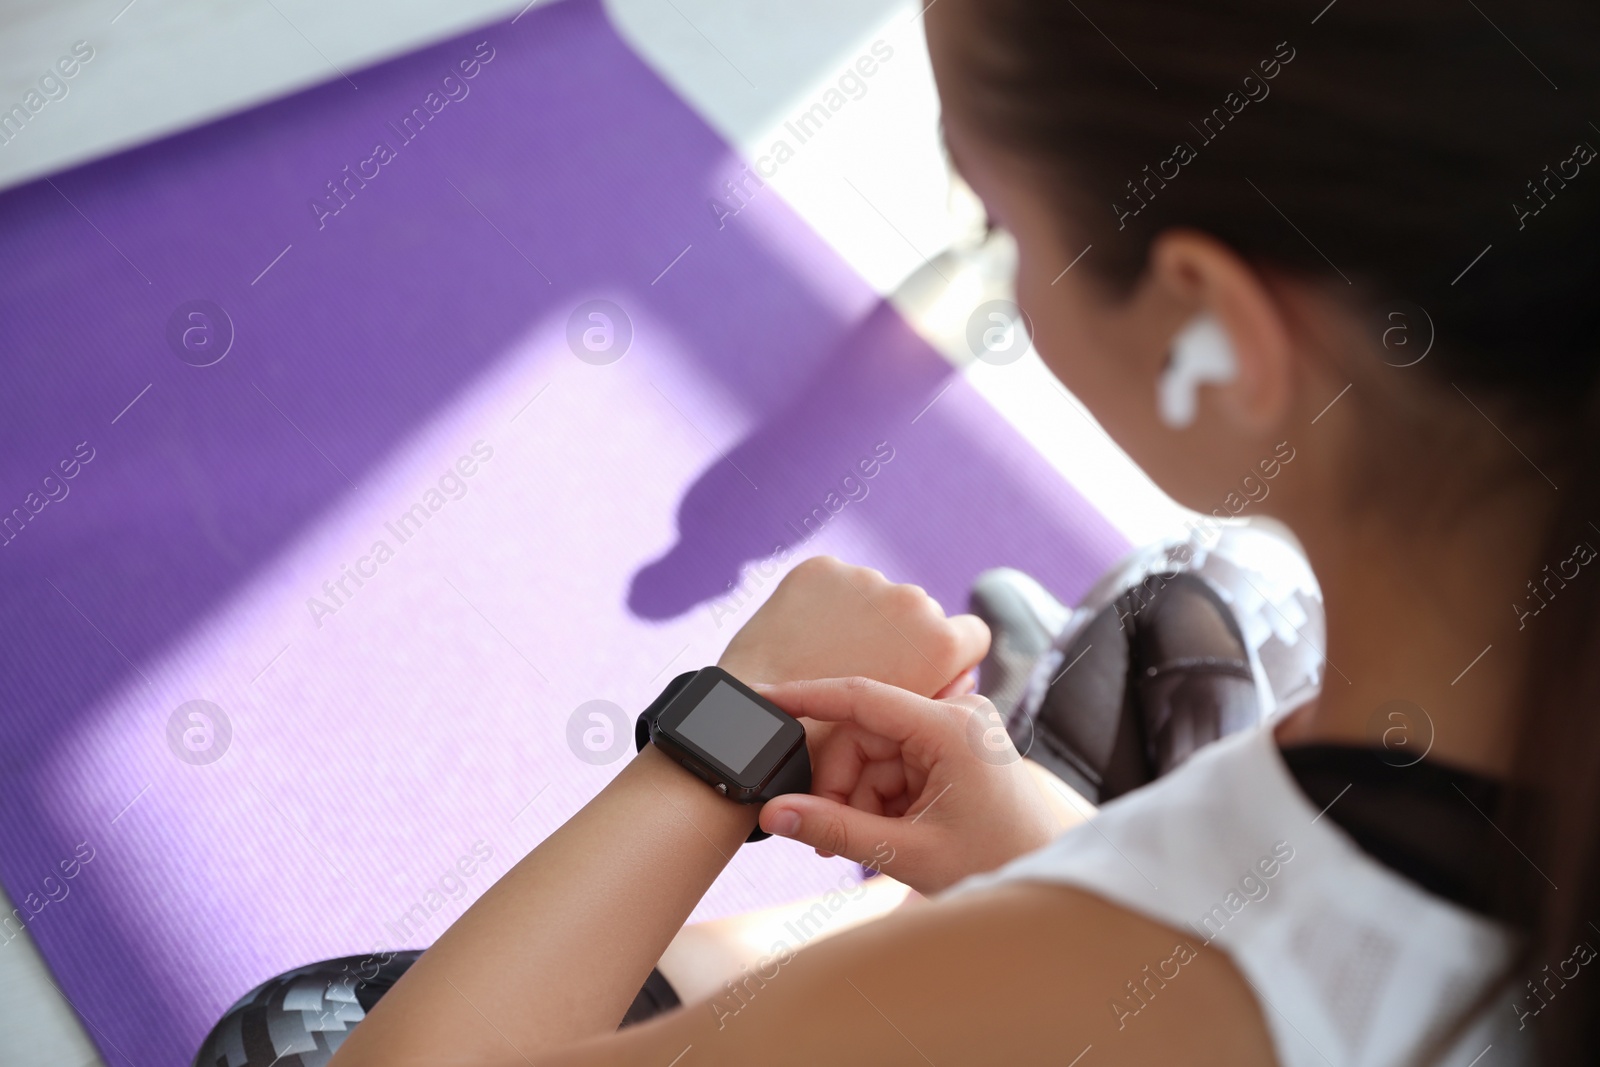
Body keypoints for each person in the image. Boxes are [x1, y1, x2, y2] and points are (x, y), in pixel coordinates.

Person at [216, 0, 1600, 1063]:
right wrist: (1055, 853)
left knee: (297, 1033)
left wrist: (726, 733)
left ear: (1211, 339)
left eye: (997, 221)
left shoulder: (1211, 980)